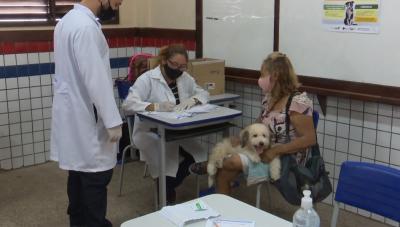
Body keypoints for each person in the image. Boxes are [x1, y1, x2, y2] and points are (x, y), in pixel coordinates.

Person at [50, 1, 123, 226]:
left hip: (74, 119)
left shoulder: (67, 22)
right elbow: (96, 79)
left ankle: (80, 222)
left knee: (78, 177)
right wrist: (113, 121)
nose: (120, 3)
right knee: (95, 179)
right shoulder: (86, 27)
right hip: (87, 121)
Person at [216, 52, 316, 194]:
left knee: (230, 162)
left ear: (274, 75)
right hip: (263, 149)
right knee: (224, 167)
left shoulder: (298, 102)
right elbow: (259, 122)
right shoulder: (269, 98)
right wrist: (242, 137)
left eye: (263, 75)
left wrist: (275, 151)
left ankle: (210, 167)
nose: (260, 79)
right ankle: (222, 210)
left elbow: (309, 139)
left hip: (285, 158)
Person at [122, 44, 209, 204]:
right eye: (175, 65)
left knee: (199, 155)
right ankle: (166, 190)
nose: (179, 69)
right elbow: (128, 104)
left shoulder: (184, 77)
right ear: (164, 61)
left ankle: (166, 186)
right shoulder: (148, 79)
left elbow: (203, 93)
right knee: (167, 162)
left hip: (176, 129)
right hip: (150, 132)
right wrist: (154, 106)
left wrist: (194, 99)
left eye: (182, 66)